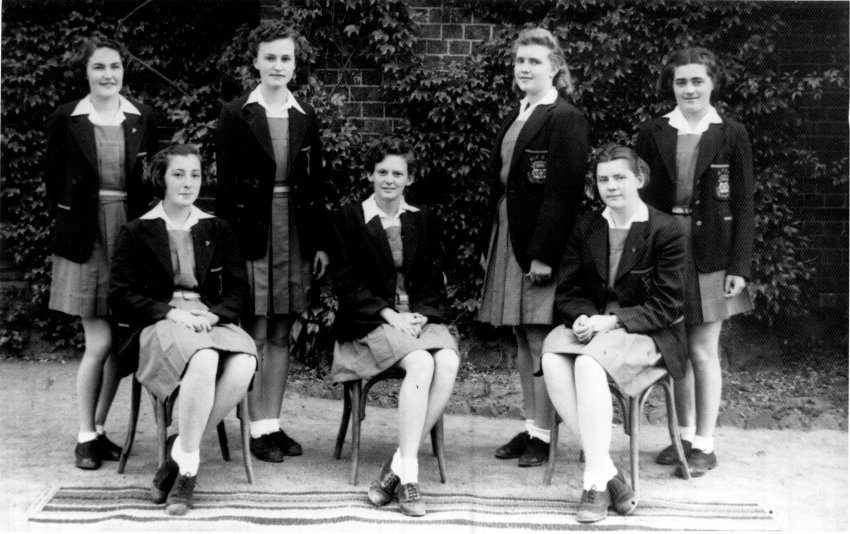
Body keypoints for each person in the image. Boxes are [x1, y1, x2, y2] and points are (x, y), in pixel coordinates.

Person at [541, 144, 687, 523]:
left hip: (646, 332)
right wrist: (580, 318)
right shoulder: (587, 225)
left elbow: (667, 305)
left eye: (620, 177)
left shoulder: (665, 229)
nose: (611, 186)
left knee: (588, 365)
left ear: (639, 178)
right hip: (595, 330)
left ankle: (593, 482)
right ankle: (609, 471)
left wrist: (612, 321)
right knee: (552, 356)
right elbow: (568, 292)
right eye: (603, 179)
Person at [109, 144, 257, 516]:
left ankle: (178, 450)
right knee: (204, 357)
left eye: (195, 174)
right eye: (178, 174)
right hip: (160, 323)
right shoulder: (137, 230)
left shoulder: (216, 228)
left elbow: (239, 290)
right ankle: (188, 471)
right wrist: (172, 313)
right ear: (161, 179)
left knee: (244, 362)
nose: (188, 183)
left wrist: (211, 316)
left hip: (208, 319)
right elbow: (121, 295)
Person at [215, 21, 332, 462]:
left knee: (283, 329)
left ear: (295, 64)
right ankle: (252, 425)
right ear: (256, 62)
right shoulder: (235, 114)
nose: (278, 66)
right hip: (253, 231)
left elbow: (316, 183)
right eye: (270, 58)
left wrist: (319, 242)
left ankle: (272, 423)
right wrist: (227, 249)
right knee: (257, 328)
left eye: (285, 58)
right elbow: (225, 189)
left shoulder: (305, 116)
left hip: (295, 230)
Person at [635, 47, 754, 477]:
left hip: (713, 252)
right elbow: (641, 198)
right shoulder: (654, 131)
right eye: (681, 82)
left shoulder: (731, 132)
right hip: (666, 249)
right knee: (676, 348)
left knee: (704, 349)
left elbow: (744, 203)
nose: (689, 89)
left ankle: (705, 443)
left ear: (712, 83)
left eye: (697, 81)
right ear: (672, 86)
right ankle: (682, 436)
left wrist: (739, 267)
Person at [44, 36, 159, 470]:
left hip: (129, 236)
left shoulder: (142, 117)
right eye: (99, 68)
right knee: (101, 340)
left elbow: (150, 181)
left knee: (119, 344)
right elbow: (54, 180)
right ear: (86, 73)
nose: (108, 75)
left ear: (123, 71)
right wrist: (78, 218)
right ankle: (84, 434)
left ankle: (98, 429)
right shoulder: (67, 119)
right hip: (86, 236)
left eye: (114, 67)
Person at [330, 139, 460, 517]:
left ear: (410, 178)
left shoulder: (422, 218)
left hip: (415, 317)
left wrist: (421, 312)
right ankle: (411, 476)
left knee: (448, 359)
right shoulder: (350, 218)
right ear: (370, 174)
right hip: (369, 321)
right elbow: (346, 284)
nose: (389, 180)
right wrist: (392, 315)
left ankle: (396, 466)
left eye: (397, 173)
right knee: (422, 363)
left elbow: (434, 279)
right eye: (382, 172)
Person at [478, 27, 588, 467]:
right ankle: (531, 427)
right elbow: (499, 185)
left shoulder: (564, 117)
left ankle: (546, 435)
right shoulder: (519, 113)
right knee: (522, 337)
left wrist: (544, 253)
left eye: (534, 62)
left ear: (555, 68)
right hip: (509, 233)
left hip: (539, 241)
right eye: (520, 61)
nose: (524, 69)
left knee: (542, 338)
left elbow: (563, 192)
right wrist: (489, 240)